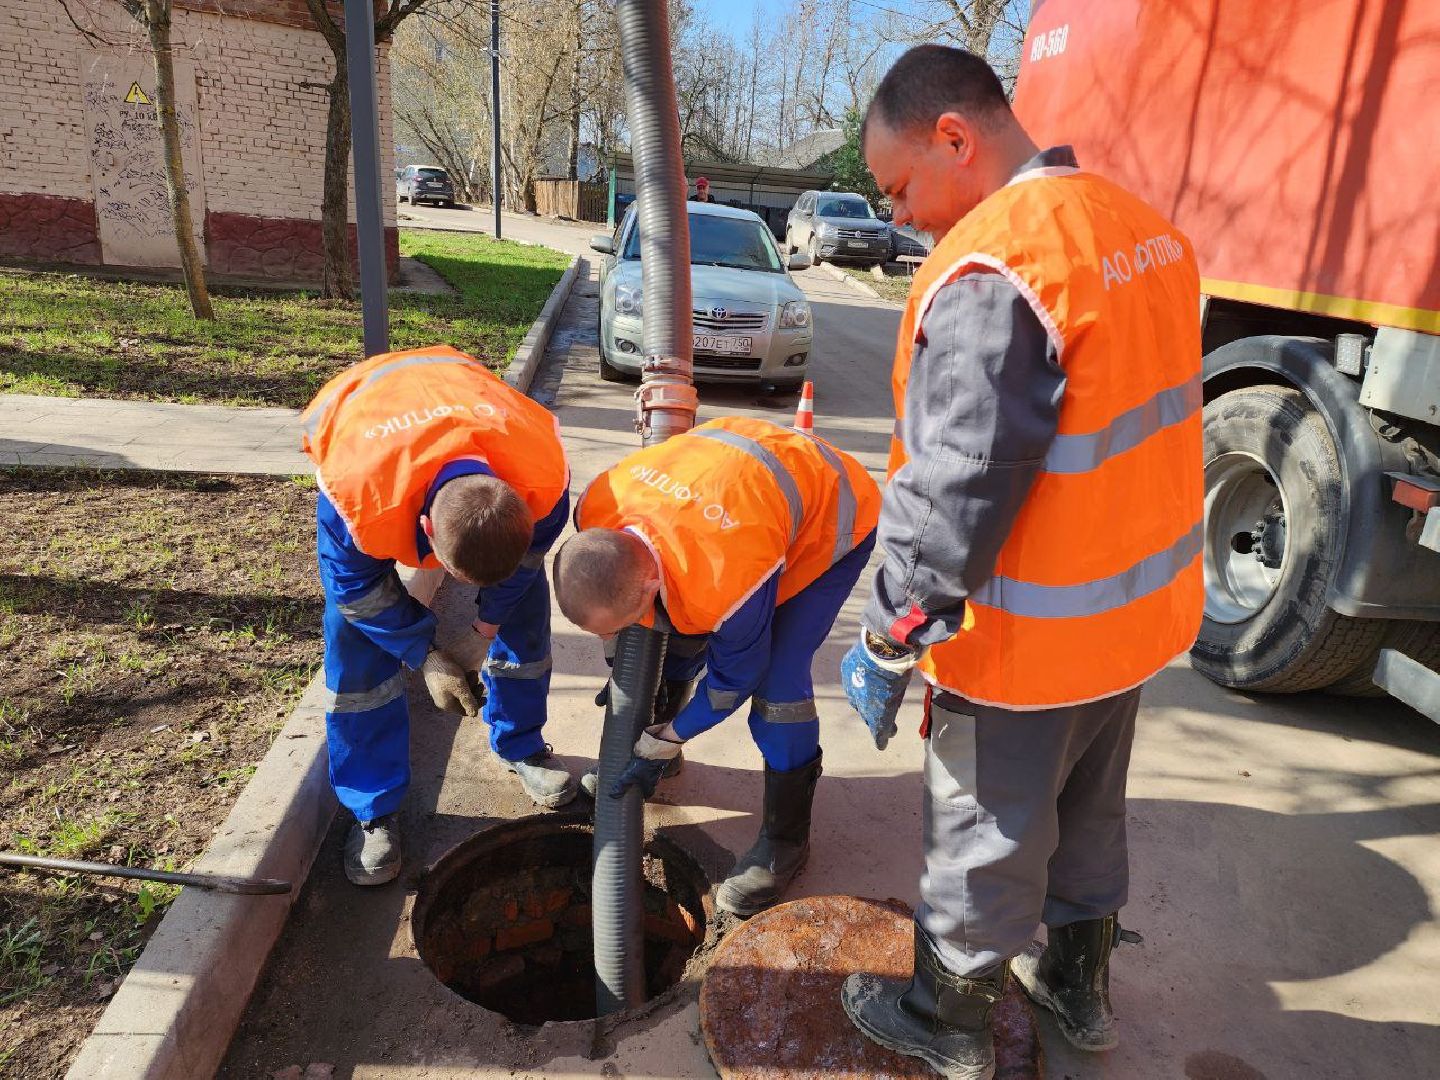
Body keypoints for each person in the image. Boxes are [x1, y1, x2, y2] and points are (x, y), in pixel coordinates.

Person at [837, 45, 1203, 1079]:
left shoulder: (999, 267)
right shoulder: (1141, 230)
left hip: (1028, 639)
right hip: (1135, 620)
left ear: (955, 137)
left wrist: (892, 628)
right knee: (1088, 810)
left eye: (900, 185)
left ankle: (946, 1021)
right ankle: (1078, 993)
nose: (899, 214)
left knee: (982, 827)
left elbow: (957, 482)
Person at [553, 416, 879, 917]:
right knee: (675, 624)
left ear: (645, 584)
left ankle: (786, 840)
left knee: (777, 687)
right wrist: (618, 657)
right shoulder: (600, 502)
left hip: (832, 508)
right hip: (740, 477)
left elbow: (732, 683)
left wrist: (667, 737)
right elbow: (639, 612)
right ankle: (662, 750)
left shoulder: (723, 581)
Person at [302, 344, 576, 887]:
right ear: (424, 534)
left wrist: (486, 627)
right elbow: (355, 588)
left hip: (461, 395)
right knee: (354, 644)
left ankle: (520, 742)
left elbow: (522, 567)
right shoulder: (356, 495)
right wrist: (425, 656)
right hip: (369, 409)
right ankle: (372, 807)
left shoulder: (542, 476)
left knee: (525, 610)